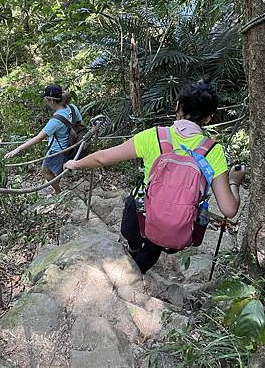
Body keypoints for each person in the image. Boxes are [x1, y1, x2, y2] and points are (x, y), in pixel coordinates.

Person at [65, 78, 246, 273]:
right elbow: (228, 210)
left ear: (177, 105)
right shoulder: (213, 151)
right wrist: (234, 182)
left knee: (133, 206)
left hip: (141, 214)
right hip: (174, 225)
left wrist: (75, 163)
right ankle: (135, 273)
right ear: (209, 118)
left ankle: (133, 247)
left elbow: (102, 158)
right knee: (154, 244)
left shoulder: (154, 136)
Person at [4, 83, 83, 196]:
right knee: (57, 169)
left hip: (57, 150)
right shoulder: (72, 108)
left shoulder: (56, 120)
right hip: (71, 146)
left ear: (51, 101)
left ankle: (57, 191)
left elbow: (38, 138)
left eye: (46, 99)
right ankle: (57, 183)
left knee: (45, 171)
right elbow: (81, 124)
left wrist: (17, 149)